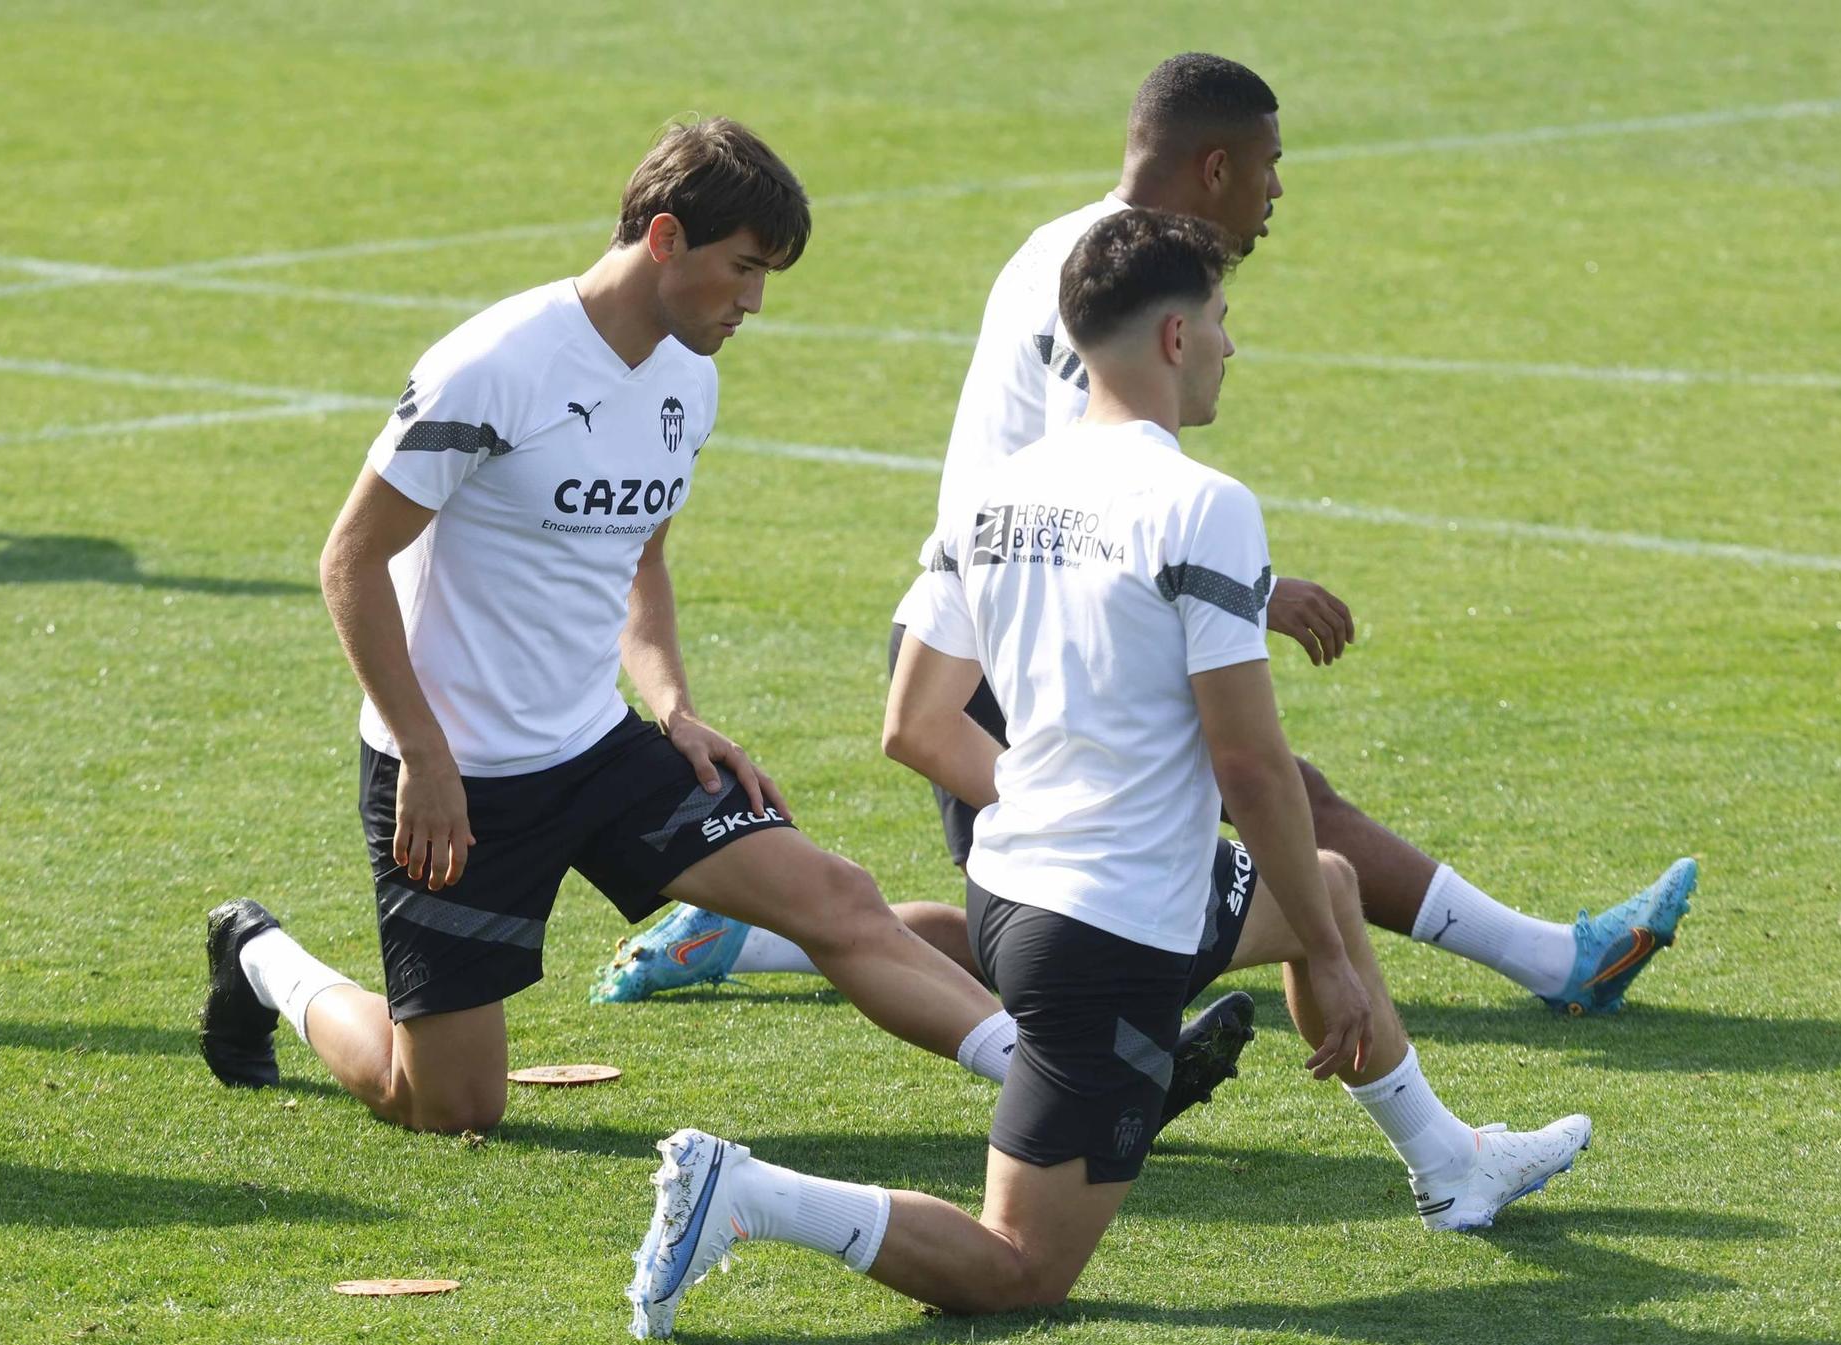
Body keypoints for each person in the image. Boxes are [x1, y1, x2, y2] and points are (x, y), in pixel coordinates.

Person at [627, 210, 1593, 1339]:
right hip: (1108, 936)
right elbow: (1248, 760)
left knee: (1317, 882)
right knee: (1017, 1267)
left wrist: (1057, 805)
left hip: (1017, 896)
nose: (1233, 345)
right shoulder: (1203, 506)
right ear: (1175, 336)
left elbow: (914, 725)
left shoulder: (990, 496)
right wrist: (1329, 968)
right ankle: (744, 1194)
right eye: (1224, 320)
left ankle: (1448, 1165)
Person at [196, 119, 1247, 1133]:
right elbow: (349, 559)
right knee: (444, 1102)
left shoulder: (687, 381)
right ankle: (260, 956)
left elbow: (639, 558)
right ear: (664, 238)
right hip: (453, 775)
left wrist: (673, 707)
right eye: (743, 268)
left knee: (836, 896)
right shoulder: (493, 367)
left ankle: (1080, 1091)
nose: (752, 301)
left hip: (595, 747)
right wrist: (422, 751)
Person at [610, 52, 1694, 1017]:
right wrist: (1247, 593)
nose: (1277, 193)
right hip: (1009, 640)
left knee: (1049, 917)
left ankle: (745, 936)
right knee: (1155, 871)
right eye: (1267, 166)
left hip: (994, 623)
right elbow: (1079, 494)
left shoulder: (1070, 244)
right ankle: (1553, 964)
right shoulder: (1109, 286)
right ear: (1211, 168)